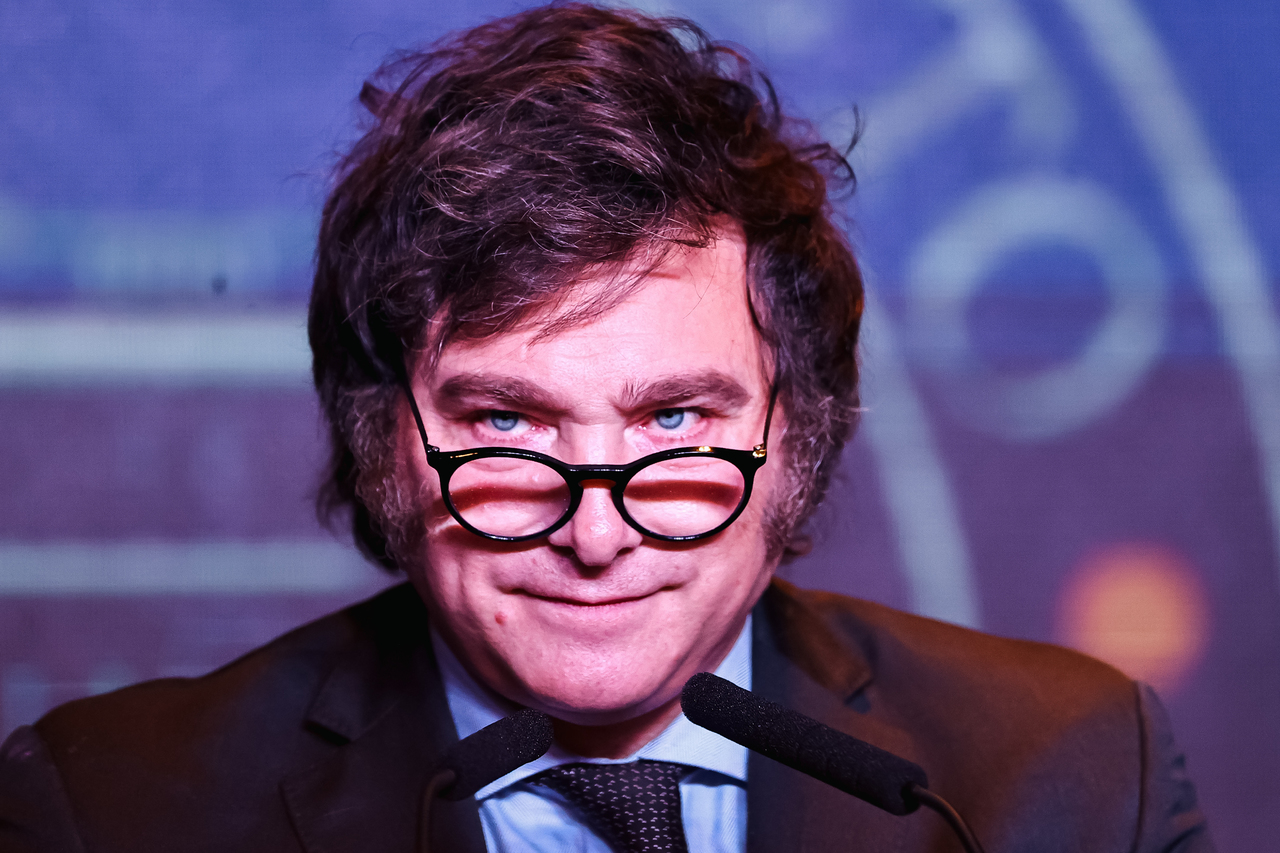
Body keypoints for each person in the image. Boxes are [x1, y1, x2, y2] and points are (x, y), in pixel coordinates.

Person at [0, 4, 1211, 852]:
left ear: (795, 440)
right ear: (383, 446)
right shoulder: (111, 812)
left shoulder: (1072, 778)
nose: (594, 534)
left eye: (673, 418)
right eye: (506, 421)